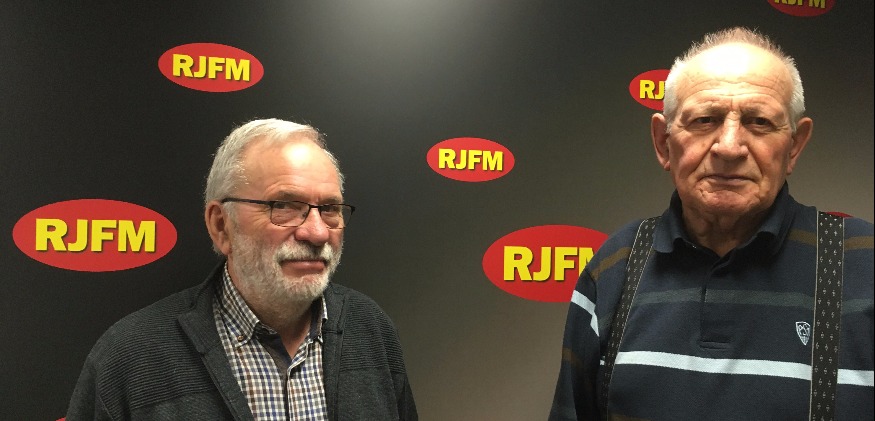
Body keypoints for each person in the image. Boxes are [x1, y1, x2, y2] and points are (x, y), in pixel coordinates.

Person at [549, 27, 873, 420]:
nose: (729, 147)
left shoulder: (865, 266)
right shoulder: (615, 267)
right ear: (663, 142)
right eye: (705, 119)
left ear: (795, 145)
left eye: (759, 121)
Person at [67, 118, 418, 420]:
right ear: (221, 225)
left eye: (329, 209)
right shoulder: (130, 359)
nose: (317, 232)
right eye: (284, 205)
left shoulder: (371, 331)